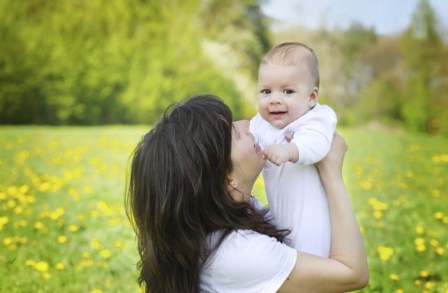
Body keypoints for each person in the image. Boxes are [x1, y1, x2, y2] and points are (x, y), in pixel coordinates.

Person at [126, 94, 368, 292]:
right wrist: (332, 174)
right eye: (235, 133)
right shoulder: (238, 253)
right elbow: (352, 273)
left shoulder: (224, 220)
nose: (247, 125)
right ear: (225, 178)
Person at [250, 42, 337, 257]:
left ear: (311, 97)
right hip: (281, 217)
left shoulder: (316, 117)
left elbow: (317, 143)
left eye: (288, 91)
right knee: (287, 261)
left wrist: (290, 150)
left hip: (312, 225)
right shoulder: (261, 124)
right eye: (266, 91)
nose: (275, 100)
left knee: (312, 269)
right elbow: (242, 141)